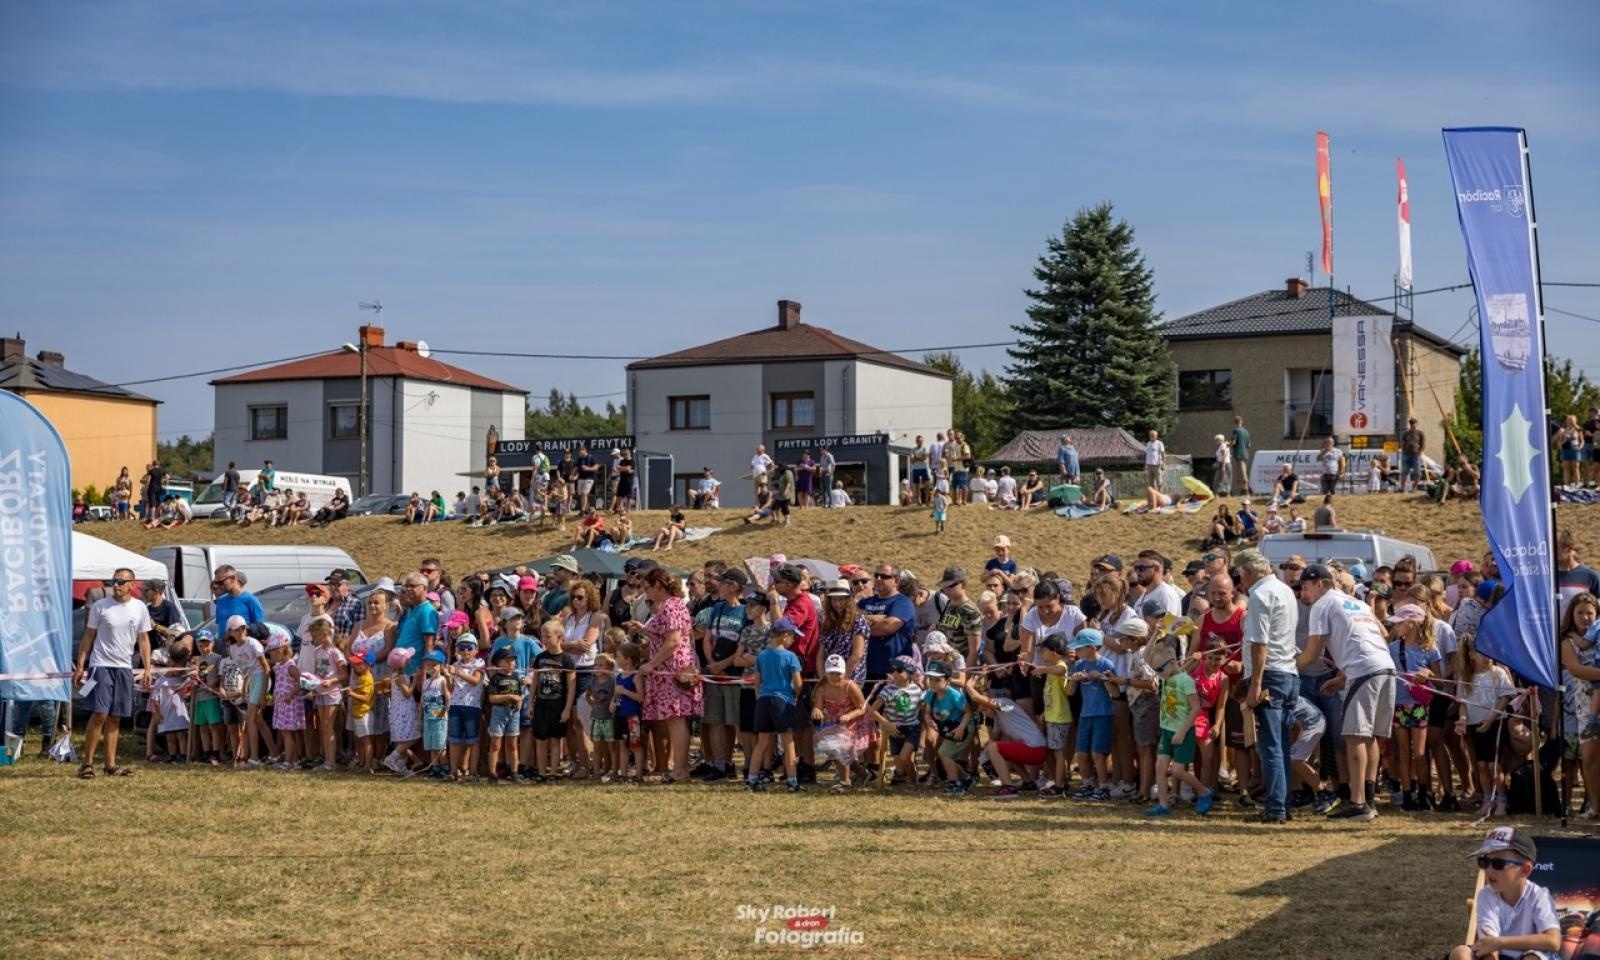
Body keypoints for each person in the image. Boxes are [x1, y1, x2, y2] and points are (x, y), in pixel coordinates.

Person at [1294, 564, 1395, 822]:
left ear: (1320, 584)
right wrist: (1342, 677)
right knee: (1371, 736)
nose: (1302, 593)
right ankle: (1369, 800)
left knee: (1355, 736)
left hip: (1363, 670)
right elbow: (1374, 639)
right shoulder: (1356, 603)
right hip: (1384, 667)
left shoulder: (1322, 605)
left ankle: (1358, 802)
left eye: (1305, 587)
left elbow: (1312, 654)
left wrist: (1286, 663)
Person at [72, 568, 155, 779]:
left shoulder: (139, 608)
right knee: (100, 713)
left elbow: (143, 640)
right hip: (101, 665)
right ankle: (87, 763)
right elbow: (88, 637)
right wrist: (81, 665)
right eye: (113, 581)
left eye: (120, 581)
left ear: (132, 585)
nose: (115, 585)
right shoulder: (101, 606)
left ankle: (110, 765)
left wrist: (147, 668)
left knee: (116, 717)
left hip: (124, 667)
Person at [1237, 548, 1300, 824]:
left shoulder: (1260, 595)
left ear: (1248, 573)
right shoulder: (1284, 590)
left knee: (1271, 745)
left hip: (1270, 675)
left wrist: (1255, 685)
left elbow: (1260, 644)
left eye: (1240, 575)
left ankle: (1275, 808)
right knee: (1281, 744)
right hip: (1288, 672)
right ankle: (1281, 803)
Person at [1446, 828, 1560, 960]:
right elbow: (1488, 945)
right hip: (1497, 955)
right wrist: (1494, 945)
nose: (1489, 870)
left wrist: (1499, 942)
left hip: (1532, 955)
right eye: (1484, 862)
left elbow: (1553, 941)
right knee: (1460, 953)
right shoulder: (1486, 895)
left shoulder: (1539, 896)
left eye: (1498, 864)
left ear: (1525, 870)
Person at [635, 567, 701, 783]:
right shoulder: (671, 606)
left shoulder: (672, 607)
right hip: (669, 669)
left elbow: (673, 641)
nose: (646, 593)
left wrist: (651, 664)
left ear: (658, 586)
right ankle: (680, 769)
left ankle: (680, 770)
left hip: (673, 670)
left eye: (647, 588)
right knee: (673, 719)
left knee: (676, 719)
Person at [1145, 638, 1216, 817]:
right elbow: (1147, 657)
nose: (1158, 674)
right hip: (1167, 730)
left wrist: (1182, 731)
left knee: (1178, 770)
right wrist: (1155, 634)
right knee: (1160, 767)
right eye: (1156, 670)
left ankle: (1204, 792)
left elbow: (1196, 707)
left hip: (1182, 732)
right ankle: (1163, 805)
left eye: (1160, 669)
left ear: (1171, 663)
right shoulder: (1167, 676)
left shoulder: (1186, 681)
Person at [748, 617, 805, 793]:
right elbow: (798, 683)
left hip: (764, 700)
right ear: (785, 635)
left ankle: (752, 779)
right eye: (792, 637)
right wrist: (796, 698)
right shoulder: (790, 656)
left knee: (762, 743)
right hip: (783, 701)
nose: (794, 640)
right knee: (788, 743)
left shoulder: (762, 655)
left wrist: (760, 696)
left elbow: (757, 682)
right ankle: (792, 782)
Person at [1400, 417, 1426, 492]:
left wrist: (1420, 452)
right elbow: (1403, 443)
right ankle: (1402, 488)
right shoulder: (1406, 433)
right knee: (1404, 471)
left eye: (1414, 423)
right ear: (1410, 424)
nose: (1413, 425)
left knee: (1417, 472)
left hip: (1415, 455)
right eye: (1411, 423)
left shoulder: (1420, 433)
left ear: (1416, 424)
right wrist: (1403, 451)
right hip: (1406, 454)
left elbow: (1423, 444)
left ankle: (1414, 488)